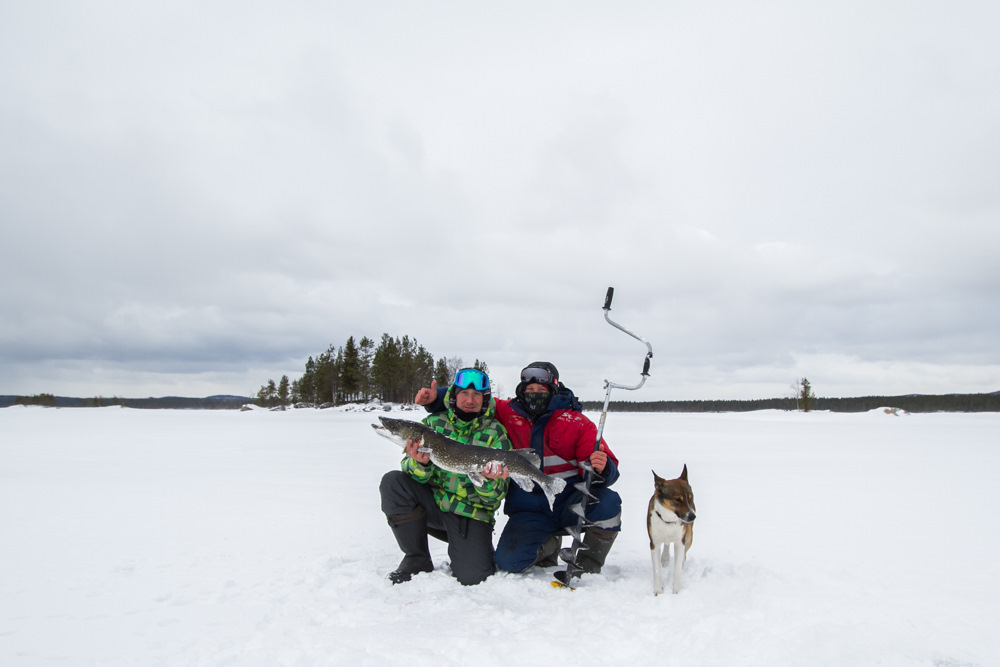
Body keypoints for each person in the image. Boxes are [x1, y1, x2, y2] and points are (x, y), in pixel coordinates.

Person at [415, 361, 621, 575]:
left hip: (569, 502)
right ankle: (548, 545)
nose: (535, 394)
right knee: (508, 563)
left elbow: (606, 471)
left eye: (542, 390)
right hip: (529, 508)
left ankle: (588, 565)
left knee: (608, 502)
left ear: (554, 390)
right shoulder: (508, 412)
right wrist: (437, 397)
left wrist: (603, 469)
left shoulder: (577, 423)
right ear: (522, 391)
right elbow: (473, 401)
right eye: (529, 389)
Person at [379, 367, 512, 586]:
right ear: (453, 396)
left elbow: (493, 499)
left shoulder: (495, 433)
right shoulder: (433, 424)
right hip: (434, 507)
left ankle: (468, 548)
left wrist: (488, 481)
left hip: (471, 515)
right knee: (394, 482)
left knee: (474, 577)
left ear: (485, 399)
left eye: (477, 394)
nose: (470, 400)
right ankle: (416, 558)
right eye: (464, 394)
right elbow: (410, 474)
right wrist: (419, 464)